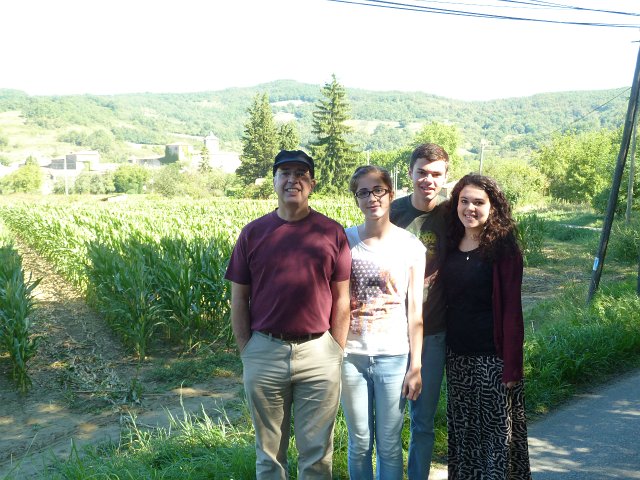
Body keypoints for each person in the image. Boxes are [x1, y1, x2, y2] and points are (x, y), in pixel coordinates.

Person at [224, 149, 351, 480]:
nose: (292, 180)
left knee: (317, 455)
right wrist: (247, 350)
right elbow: (239, 298)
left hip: (319, 354)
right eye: (285, 173)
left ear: (312, 184)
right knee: (269, 455)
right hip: (265, 352)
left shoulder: (331, 232)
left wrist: (335, 349)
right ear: (275, 181)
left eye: (300, 174)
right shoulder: (253, 233)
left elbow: (342, 298)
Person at [440, 174, 532, 479]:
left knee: (495, 438)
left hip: (492, 358)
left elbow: (512, 311)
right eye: (464, 201)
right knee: (463, 434)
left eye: (478, 202)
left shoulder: (504, 251)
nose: (470, 208)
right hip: (457, 357)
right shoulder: (451, 243)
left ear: (493, 207)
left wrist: (512, 367)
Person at [341, 165, 425, 480]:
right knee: (359, 442)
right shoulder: (345, 240)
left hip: (394, 356)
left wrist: (415, 366)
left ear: (390, 193)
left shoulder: (411, 246)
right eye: (363, 192)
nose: (372, 198)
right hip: (351, 356)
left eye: (378, 190)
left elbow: (415, 311)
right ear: (356, 199)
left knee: (389, 444)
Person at [389, 143, 449, 479]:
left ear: (445, 177)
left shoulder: (453, 215)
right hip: (390, 331)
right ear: (410, 173)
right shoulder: (391, 212)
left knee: (423, 423)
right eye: (422, 172)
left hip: (434, 331)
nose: (428, 179)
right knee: (388, 423)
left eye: (436, 174)